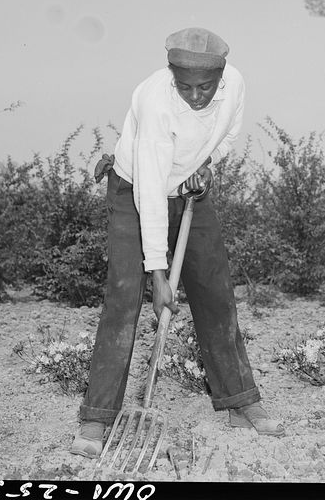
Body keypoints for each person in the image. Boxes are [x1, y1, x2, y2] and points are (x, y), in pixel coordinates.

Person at [69, 27, 284, 459]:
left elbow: (226, 137)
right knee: (124, 298)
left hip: (189, 190)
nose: (196, 96)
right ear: (171, 76)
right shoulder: (155, 103)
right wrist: (159, 274)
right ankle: (98, 415)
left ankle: (240, 402)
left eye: (205, 87)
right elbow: (149, 193)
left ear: (221, 76)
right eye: (185, 86)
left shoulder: (235, 84)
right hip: (135, 191)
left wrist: (207, 166)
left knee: (216, 292)